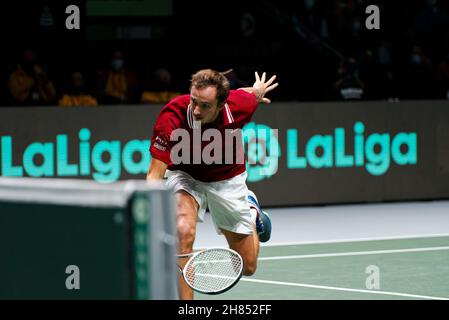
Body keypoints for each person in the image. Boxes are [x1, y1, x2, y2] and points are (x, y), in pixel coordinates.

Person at [146, 69, 278, 300]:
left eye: (205, 105)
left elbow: (248, 95)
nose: (196, 110)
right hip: (185, 175)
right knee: (182, 232)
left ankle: (251, 208)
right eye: (194, 101)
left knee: (247, 266)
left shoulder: (239, 107)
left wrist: (257, 91)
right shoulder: (172, 116)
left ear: (220, 105)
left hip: (227, 180)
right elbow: (154, 175)